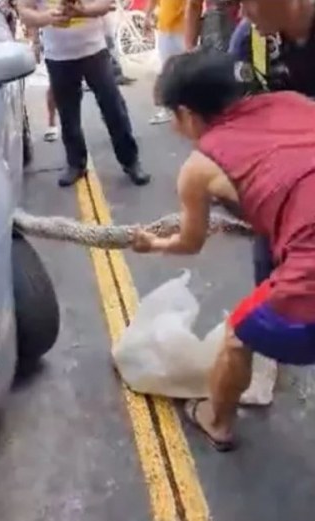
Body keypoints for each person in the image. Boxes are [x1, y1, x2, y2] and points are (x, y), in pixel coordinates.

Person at [133, 50, 315, 451]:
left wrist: (153, 243)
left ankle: (216, 421)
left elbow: (189, 242)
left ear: (186, 114)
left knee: (238, 333)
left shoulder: (200, 167)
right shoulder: (295, 102)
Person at [226, 0, 315, 289]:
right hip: (282, 193)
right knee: (271, 284)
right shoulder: (249, 41)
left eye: (246, 1)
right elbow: (240, 125)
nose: (241, 13)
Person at [18, 0, 150, 188]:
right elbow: (24, 12)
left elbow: (106, 4)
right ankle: (76, 164)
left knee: (113, 108)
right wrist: (47, 17)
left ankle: (131, 161)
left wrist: (83, 10)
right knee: (68, 115)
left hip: (94, 52)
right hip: (58, 57)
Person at [144, 0, 185, 124]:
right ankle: (169, 108)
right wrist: (147, 16)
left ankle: (189, 108)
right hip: (166, 27)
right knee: (168, 68)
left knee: (184, 69)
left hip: (183, 27)